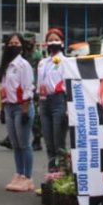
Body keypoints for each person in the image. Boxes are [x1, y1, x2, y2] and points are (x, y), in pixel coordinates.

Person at [0, 33, 35, 192]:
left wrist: (25, 110)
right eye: (11, 43)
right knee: (15, 145)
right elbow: (3, 88)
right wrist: (2, 109)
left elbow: (28, 88)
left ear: (21, 46)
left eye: (16, 43)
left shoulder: (23, 65)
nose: (13, 46)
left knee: (24, 144)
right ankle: (19, 174)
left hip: (21, 108)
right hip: (9, 107)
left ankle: (28, 177)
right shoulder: (6, 65)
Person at [37, 27, 69, 176]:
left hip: (59, 100)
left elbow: (68, 84)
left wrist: (68, 106)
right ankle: (51, 172)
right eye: (50, 40)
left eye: (56, 39)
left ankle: (62, 171)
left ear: (62, 42)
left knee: (58, 140)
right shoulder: (42, 63)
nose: (53, 42)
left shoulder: (66, 61)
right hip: (44, 101)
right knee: (48, 141)